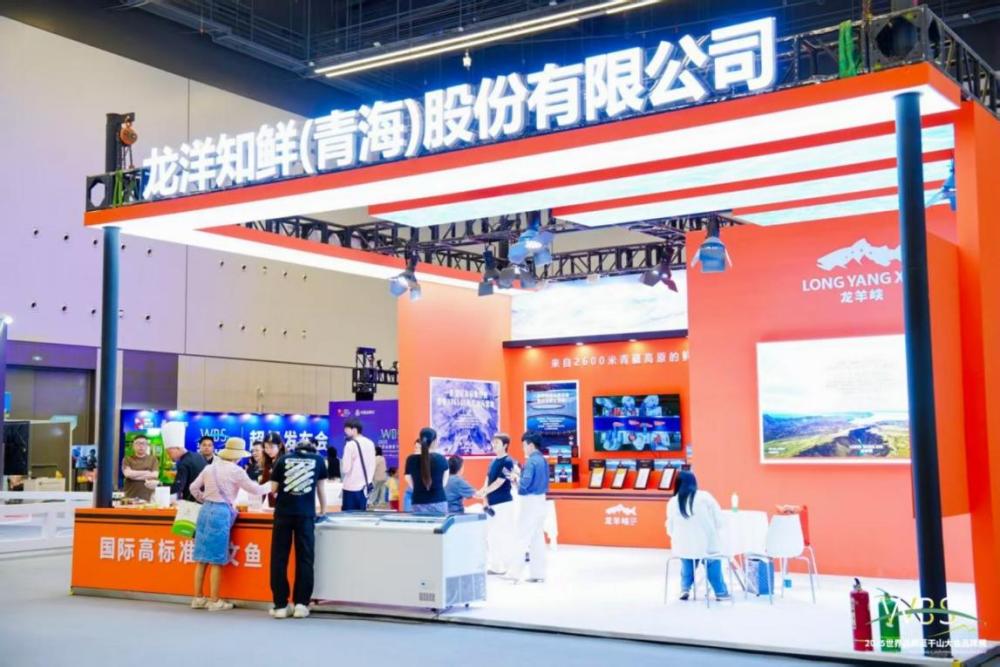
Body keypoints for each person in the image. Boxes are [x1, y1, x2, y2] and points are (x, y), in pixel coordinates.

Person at [188, 438, 270, 612]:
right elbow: (255, 490)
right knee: (216, 559)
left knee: (201, 558)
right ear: (238, 456)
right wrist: (271, 485)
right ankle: (215, 600)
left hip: (205, 511)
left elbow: (193, 488)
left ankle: (198, 598)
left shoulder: (209, 468)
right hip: (221, 513)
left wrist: (205, 499)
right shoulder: (237, 471)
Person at [268, 435, 328, 619]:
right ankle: (301, 604)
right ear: (312, 449)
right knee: (305, 558)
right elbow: (321, 489)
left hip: (283, 514)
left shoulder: (282, 460)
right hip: (305, 515)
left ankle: (281, 605)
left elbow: (273, 489)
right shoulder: (319, 460)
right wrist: (323, 510)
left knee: (279, 559)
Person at [666, 470, 731, 601]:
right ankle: (720, 592)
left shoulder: (673, 501)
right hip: (707, 545)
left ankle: (684, 589)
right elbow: (719, 520)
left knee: (687, 560)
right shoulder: (705, 497)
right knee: (713, 561)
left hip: (683, 546)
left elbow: (670, 527)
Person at [505, 431, 549, 583]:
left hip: (529, 502)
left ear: (530, 445)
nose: (523, 448)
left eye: (524, 445)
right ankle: (538, 574)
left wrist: (515, 478)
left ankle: (514, 573)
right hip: (541, 501)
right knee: (537, 539)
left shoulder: (531, 461)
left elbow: (524, 484)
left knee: (522, 537)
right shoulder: (543, 460)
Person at [477, 433, 516, 575]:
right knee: (492, 536)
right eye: (493, 442)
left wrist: (484, 491)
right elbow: (487, 479)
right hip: (492, 504)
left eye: (497, 443)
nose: (494, 445)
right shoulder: (493, 461)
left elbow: (500, 482)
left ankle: (508, 566)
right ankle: (495, 566)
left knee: (504, 534)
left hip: (504, 503)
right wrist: (484, 496)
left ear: (505, 445)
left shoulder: (508, 461)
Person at [404, 428, 449, 514]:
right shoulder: (441, 459)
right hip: (439, 501)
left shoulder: (410, 460)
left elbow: (408, 480)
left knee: (421, 523)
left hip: (418, 501)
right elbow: (443, 484)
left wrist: (419, 488)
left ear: (420, 440)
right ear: (435, 442)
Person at [341, 417, 376, 512]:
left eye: (347, 429)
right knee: (361, 516)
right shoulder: (370, 443)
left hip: (351, 487)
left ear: (354, 430)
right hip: (365, 487)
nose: (345, 432)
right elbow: (373, 464)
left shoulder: (350, 444)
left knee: (348, 516)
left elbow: (346, 469)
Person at [121, 435, 160, 502]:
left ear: (147, 446)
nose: (141, 446)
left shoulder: (153, 459)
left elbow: (155, 475)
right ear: (133, 446)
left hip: (149, 498)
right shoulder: (127, 459)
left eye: (144, 443)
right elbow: (127, 474)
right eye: (138, 443)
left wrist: (133, 475)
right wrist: (147, 472)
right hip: (130, 497)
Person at [260, 432, 285, 508]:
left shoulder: (284, 461)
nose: (268, 451)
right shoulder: (268, 461)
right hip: (270, 501)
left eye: (271, 447)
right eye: (266, 447)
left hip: (282, 502)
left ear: (279, 446)